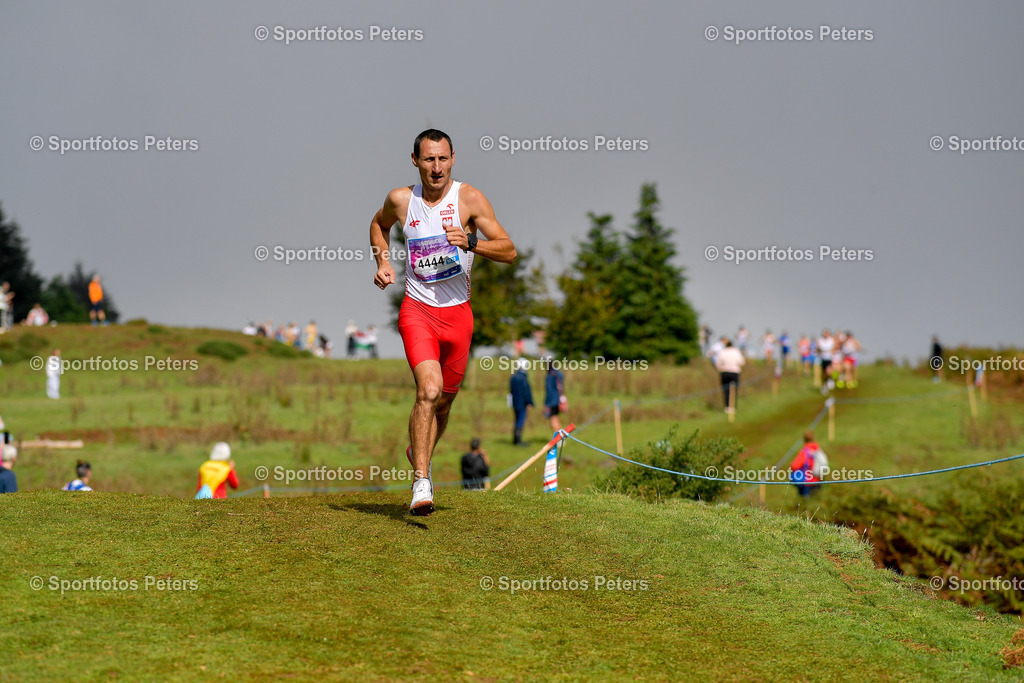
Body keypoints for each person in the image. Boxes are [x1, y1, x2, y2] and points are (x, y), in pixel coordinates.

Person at [370, 128, 517, 516]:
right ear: (415, 160)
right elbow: (378, 225)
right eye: (428, 159)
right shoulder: (401, 200)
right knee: (429, 391)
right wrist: (382, 260)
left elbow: (509, 250)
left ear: (453, 159)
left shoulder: (469, 198)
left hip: (458, 317)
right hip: (417, 311)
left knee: (444, 405)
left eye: (442, 159)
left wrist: (470, 243)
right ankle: (422, 479)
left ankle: (420, 450)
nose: (436, 168)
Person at [790, 431, 828, 497]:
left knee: (805, 505)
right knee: (816, 504)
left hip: (808, 483)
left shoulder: (805, 451)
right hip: (818, 481)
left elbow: (794, 466)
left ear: (804, 439)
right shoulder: (818, 450)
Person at [714, 339, 744, 413]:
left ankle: (727, 407)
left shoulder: (722, 352)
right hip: (734, 372)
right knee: (734, 390)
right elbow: (742, 362)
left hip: (724, 372)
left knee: (726, 390)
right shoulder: (736, 351)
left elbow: (718, 364)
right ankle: (733, 407)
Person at [509, 359, 534, 445]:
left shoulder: (513, 377)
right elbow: (526, 391)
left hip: (515, 402)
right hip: (522, 403)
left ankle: (515, 440)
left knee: (516, 420)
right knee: (520, 421)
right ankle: (518, 441)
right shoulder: (523, 377)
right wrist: (529, 402)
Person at [543, 357, 566, 432]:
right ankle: (560, 435)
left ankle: (558, 437)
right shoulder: (559, 373)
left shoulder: (550, 376)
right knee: (556, 416)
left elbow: (549, 390)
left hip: (552, 401)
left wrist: (546, 404)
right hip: (559, 399)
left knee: (553, 418)